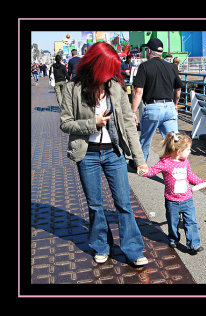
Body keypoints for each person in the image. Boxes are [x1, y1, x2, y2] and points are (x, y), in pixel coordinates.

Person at [59, 42, 149, 266]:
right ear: (95, 65)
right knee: (95, 204)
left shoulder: (116, 86)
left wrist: (139, 160)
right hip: (87, 154)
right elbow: (65, 123)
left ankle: (134, 249)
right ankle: (101, 245)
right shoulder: (73, 88)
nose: (112, 73)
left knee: (123, 204)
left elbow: (128, 124)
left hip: (114, 153)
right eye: (108, 67)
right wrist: (93, 123)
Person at [138, 132, 205, 253]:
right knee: (172, 222)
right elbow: (153, 170)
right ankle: (174, 239)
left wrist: (201, 182)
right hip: (171, 201)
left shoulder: (185, 163)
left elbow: (190, 176)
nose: (190, 151)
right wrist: (144, 172)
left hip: (187, 200)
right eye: (188, 149)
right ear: (178, 151)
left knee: (191, 222)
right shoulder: (165, 163)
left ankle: (194, 243)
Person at [131, 37, 183, 163]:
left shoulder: (144, 67)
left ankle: (141, 164)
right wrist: (175, 104)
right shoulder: (171, 67)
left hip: (153, 107)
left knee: (145, 139)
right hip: (169, 106)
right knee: (174, 140)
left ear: (149, 51)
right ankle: (178, 166)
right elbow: (178, 89)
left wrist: (132, 112)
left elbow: (138, 92)